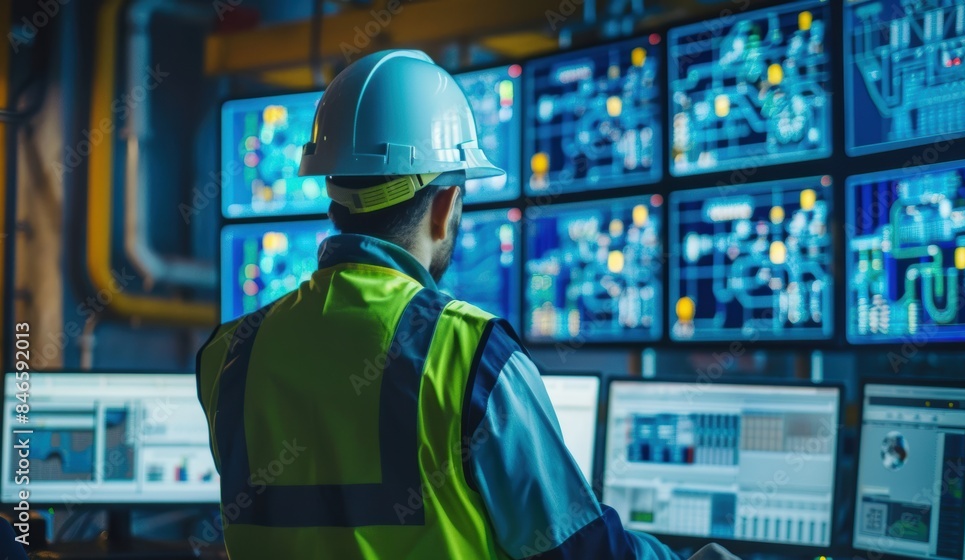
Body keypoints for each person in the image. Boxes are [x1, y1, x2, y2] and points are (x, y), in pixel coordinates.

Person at [197, 49, 741, 560]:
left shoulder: (228, 355)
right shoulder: (468, 352)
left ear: (331, 190)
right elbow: (576, 548)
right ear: (446, 204)